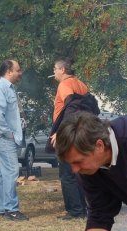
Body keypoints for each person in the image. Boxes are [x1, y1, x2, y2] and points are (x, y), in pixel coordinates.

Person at [0, 59, 28, 221]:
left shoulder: (8, 88)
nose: (20, 73)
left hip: (5, 137)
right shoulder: (0, 88)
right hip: (3, 138)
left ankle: (2, 208)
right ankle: (11, 209)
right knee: (12, 171)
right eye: (18, 70)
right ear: (9, 71)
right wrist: (8, 133)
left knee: (4, 174)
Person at [50, 58, 90, 220]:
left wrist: (61, 131)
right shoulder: (81, 84)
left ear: (63, 70)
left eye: (55, 69)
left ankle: (75, 211)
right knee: (78, 172)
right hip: (80, 132)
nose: (54, 72)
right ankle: (83, 208)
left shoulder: (64, 85)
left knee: (67, 173)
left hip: (69, 134)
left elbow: (71, 107)